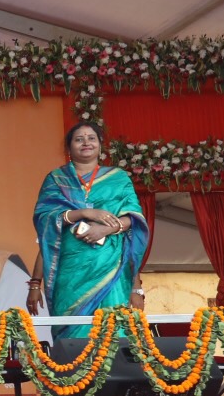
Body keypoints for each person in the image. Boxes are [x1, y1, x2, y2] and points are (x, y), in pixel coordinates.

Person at [34, 121, 150, 339]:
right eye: (79, 139)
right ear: (69, 148)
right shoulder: (56, 180)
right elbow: (45, 221)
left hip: (111, 266)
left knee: (113, 330)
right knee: (72, 333)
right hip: (70, 270)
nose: (85, 143)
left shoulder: (119, 178)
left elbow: (133, 220)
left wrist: (105, 230)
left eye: (91, 138)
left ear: (100, 145)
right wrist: (85, 214)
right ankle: (73, 371)